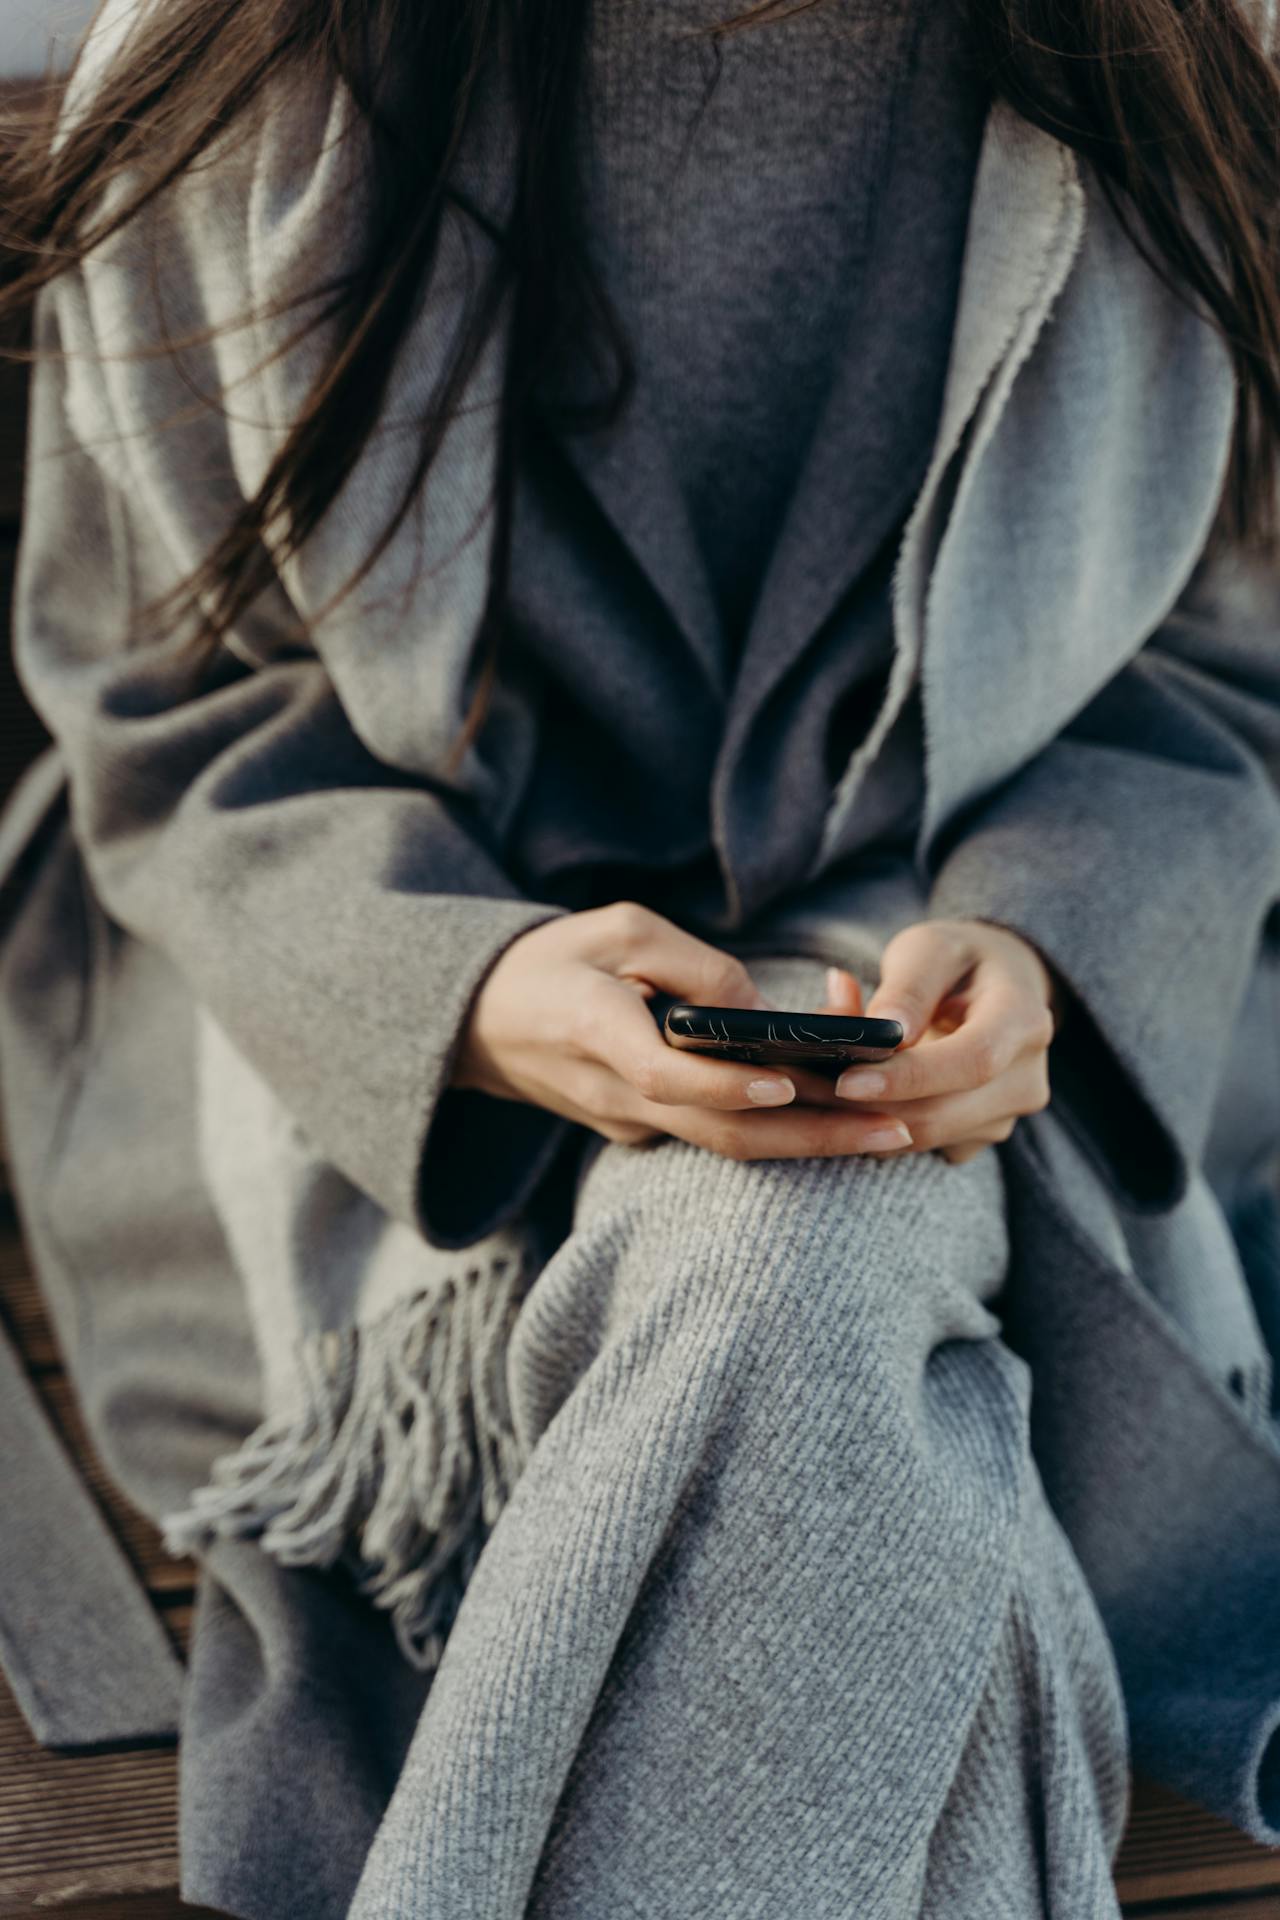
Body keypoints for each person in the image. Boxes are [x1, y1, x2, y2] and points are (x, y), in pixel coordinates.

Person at [1, 0, 1280, 1914]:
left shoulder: (1193, 64)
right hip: (383, 1012)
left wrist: (1045, 957)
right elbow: (169, 707)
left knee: (795, 1240)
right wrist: (472, 996)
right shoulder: (240, 68)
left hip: (977, 978)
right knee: (815, 1278)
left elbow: (1219, 644)